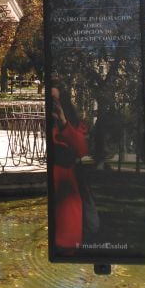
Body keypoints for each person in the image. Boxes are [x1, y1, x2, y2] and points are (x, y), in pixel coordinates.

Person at [50, 83, 90, 251]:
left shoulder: (74, 124)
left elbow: (82, 149)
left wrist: (63, 121)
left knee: (66, 243)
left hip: (66, 192)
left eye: (54, 100)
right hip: (53, 190)